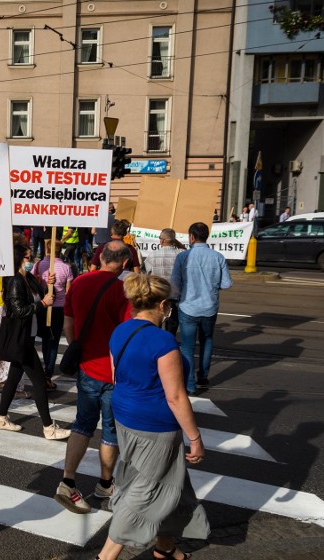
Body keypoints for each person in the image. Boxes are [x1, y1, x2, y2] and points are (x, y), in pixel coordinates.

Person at [94, 273, 209, 560]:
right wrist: (195, 438)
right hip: (156, 426)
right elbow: (175, 396)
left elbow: (115, 376)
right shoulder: (163, 342)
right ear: (163, 305)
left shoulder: (120, 331)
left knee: (169, 484)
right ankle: (106, 556)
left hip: (125, 414)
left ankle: (165, 548)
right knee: (143, 492)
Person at [54, 241, 131, 514]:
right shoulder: (123, 291)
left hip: (86, 367)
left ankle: (67, 481)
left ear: (101, 257)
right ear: (123, 263)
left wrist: (77, 348)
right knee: (110, 431)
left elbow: (68, 324)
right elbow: (127, 333)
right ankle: (105, 484)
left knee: (82, 424)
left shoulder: (80, 283)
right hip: (113, 372)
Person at [0, 244, 71, 440]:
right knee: (38, 381)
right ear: (20, 259)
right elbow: (19, 310)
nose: (32, 261)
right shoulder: (15, 280)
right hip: (21, 339)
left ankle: (0, 417)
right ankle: (48, 427)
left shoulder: (27, 279)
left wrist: (47, 285)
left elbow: (40, 294)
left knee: (13, 378)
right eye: (28, 258)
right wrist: (43, 303)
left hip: (26, 336)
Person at [172, 222, 233, 395]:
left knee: (187, 347)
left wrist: (175, 299)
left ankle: (190, 385)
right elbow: (227, 284)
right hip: (209, 307)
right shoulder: (218, 257)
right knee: (207, 340)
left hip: (187, 307)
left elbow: (174, 285)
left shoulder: (183, 257)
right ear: (207, 236)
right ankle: (203, 377)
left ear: (191, 237)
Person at [32, 239, 73, 389]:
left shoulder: (38, 265)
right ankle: (48, 374)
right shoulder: (66, 268)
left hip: (44, 306)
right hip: (59, 308)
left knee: (45, 339)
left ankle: (45, 370)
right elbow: (69, 292)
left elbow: (31, 283)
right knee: (54, 342)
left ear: (47, 249)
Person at [142, 228, 185, 335]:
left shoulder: (153, 255)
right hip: (175, 295)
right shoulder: (182, 254)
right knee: (172, 326)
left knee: (156, 324)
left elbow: (145, 274)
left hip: (159, 295)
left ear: (162, 241)